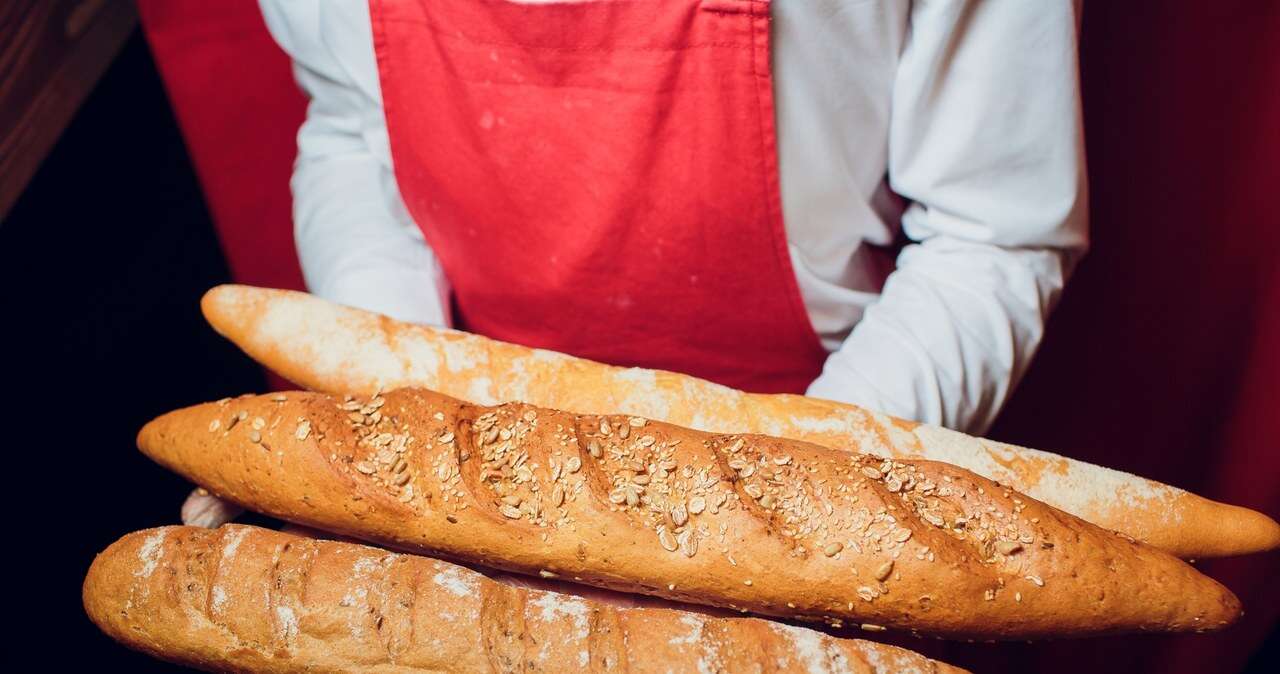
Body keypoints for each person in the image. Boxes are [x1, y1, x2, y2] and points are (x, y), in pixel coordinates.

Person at [183, 0, 1087, 529]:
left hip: (834, 421)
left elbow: (988, 233)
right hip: (479, 434)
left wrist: (787, 496)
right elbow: (351, 127)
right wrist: (397, 431)